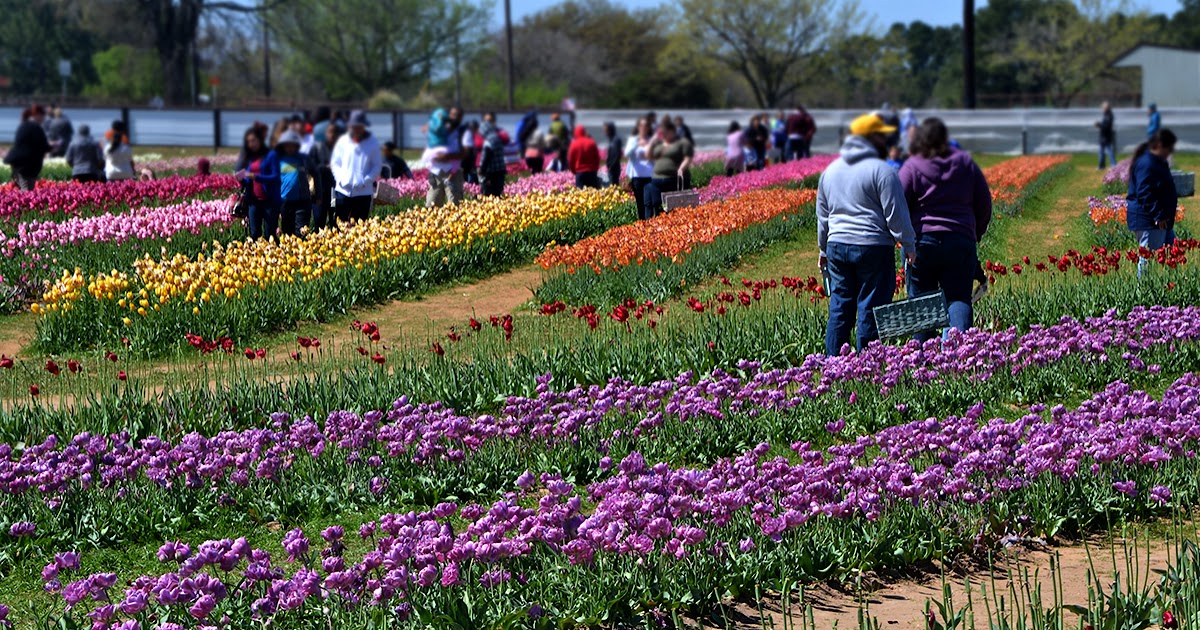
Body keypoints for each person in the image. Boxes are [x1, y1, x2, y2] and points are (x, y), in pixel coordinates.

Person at [817, 112, 916, 356]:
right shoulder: (882, 170)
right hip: (873, 245)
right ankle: (867, 366)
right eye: (881, 136)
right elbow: (895, 214)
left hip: (837, 245)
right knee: (871, 307)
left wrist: (822, 249)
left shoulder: (830, 172)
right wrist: (908, 243)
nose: (885, 141)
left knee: (840, 307)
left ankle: (834, 364)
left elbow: (823, 216)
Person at [899, 118, 992, 341]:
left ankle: (920, 357)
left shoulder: (913, 165)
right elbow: (984, 203)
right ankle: (955, 357)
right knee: (958, 298)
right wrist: (975, 233)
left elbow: (898, 200)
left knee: (922, 301)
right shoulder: (965, 163)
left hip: (923, 242)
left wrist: (904, 236)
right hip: (960, 239)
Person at [1127, 129, 1178, 278]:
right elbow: (1144, 192)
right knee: (1148, 256)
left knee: (1173, 252)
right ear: (1160, 145)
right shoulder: (1147, 163)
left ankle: (1171, 288)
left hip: (1162, 218)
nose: (1170, 152)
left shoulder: (1157, 162)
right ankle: (1142, 294)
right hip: (1149, 219)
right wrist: (1159, 214)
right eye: (1169, 148)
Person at [330, 110, 382, 222]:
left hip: (363, 192)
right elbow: (335, 163)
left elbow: (376, 166)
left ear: (364, 126)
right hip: (343, 191)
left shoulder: (372, 142)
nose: (357, 129)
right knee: (340, 225)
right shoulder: (343, 141)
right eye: (354, 126)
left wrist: (366, 181)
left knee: (359, 226)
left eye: (359, 126)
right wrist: (339, 179)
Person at [271, 130, 320, 237]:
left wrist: (318, 194)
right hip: (285, 201)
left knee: (301, 232)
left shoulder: (304, 159)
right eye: (287, 145)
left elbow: (316, 174)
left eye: (292, 145)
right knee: (287, 232)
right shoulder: (278, 160)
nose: (289, 148)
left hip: (302, 201)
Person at [644, 119, 694, 218]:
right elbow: (648, 155)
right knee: (656, 204)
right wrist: (652, 141)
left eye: (666, 132)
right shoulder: (659, 143)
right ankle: (658, 223)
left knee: (672, 205)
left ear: (672, 131)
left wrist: (681, 168)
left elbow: (688, 157)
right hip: (657, 179)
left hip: (673, 179)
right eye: (663, 133)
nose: (664, 135)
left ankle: (672, 224)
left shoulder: (682, 142)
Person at [233, 125, 277, 239]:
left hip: (269, 201)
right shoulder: (250, 158)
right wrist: (242, 180)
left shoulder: (271, 155)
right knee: (254, 234)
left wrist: (257, 177)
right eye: (249, 142)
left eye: (253, 140)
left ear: (260, 140)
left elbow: (275, 176)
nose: (251, 144)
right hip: (253, 201)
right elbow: (248, 180)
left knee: (269, 234)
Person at [424, 107, 465, 207]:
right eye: (452, 115)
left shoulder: (462, 132)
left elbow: (464, 153)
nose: (454, 118)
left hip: (453, 173)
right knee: (431, 205)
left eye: (457, 115)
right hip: (436, 173)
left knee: (455, 206)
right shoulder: (439, 130)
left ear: (461, 118)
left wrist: (447, 157)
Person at [4, 105, 51, 190]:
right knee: (26, 191)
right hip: (27, 166)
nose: (43, 119)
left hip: (19, 164)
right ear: (37, 115)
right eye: (43, 116)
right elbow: (42, 146)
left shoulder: (24, 125)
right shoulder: (35, 127)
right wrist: (52, 146)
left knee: (24, 190)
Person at [311, 121, 343, 230]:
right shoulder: (317, 148)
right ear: (326, 134)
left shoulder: (343, 150)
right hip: (320, 191)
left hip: (338, 191)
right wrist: (325, 167)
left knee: (337, 224)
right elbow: (310, 167)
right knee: (319, 222)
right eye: (330, 132)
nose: (332, 135)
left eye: (335, 133)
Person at [624, 117, 655, 220]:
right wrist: (637, 144)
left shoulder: (651, 140)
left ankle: (649, 223)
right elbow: (627, 153)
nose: (643, 128)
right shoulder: (633, 140)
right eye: (641, 125)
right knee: (640, 203)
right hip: (637, 177)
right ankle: (642, 225)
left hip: (649, 176)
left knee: (648, 202)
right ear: (638, 127)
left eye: (646, 125)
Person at [478, 112, 508, 197]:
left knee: (489, 196)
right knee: (498, 195)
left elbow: (487, 156)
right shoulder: (496, 137)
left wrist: (482, 170)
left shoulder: (489, 140)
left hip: (491, 174)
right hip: (499, 172)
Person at [567, 125, 601, 189]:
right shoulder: (591, 142)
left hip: (580, 173)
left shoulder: (574, 144)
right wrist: (595, 168)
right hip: (592, 171)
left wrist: (574, 171)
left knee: (581, 194)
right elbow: (597, 157)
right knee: (593, 194)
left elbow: (571, 160)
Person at [1096, 102, 1116, 170]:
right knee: (1102, 151)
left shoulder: (1109, 115)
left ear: (1107, 108)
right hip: (1104, 136)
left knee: (1108, 151)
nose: (1102, 109)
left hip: (1106, 136)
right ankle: (1102, 165)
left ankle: (1113, 165)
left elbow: (1106, 126)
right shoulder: (1107, 115)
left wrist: (1099, 125)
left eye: (1103, 107)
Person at [603, 122, 622, 188]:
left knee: (613, 186)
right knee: (612, 186)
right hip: (612, 167)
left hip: (614, 168)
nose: (605, 132)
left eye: (606, 130)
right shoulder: (612, 139)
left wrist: (611, 166)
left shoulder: (616, 140)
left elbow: (617, 155)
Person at [461, 121, 479, 185]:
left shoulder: (476, 138)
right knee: (469, 181)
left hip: (471, 166)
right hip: (468, 166)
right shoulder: (467, 138)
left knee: (471, 181)